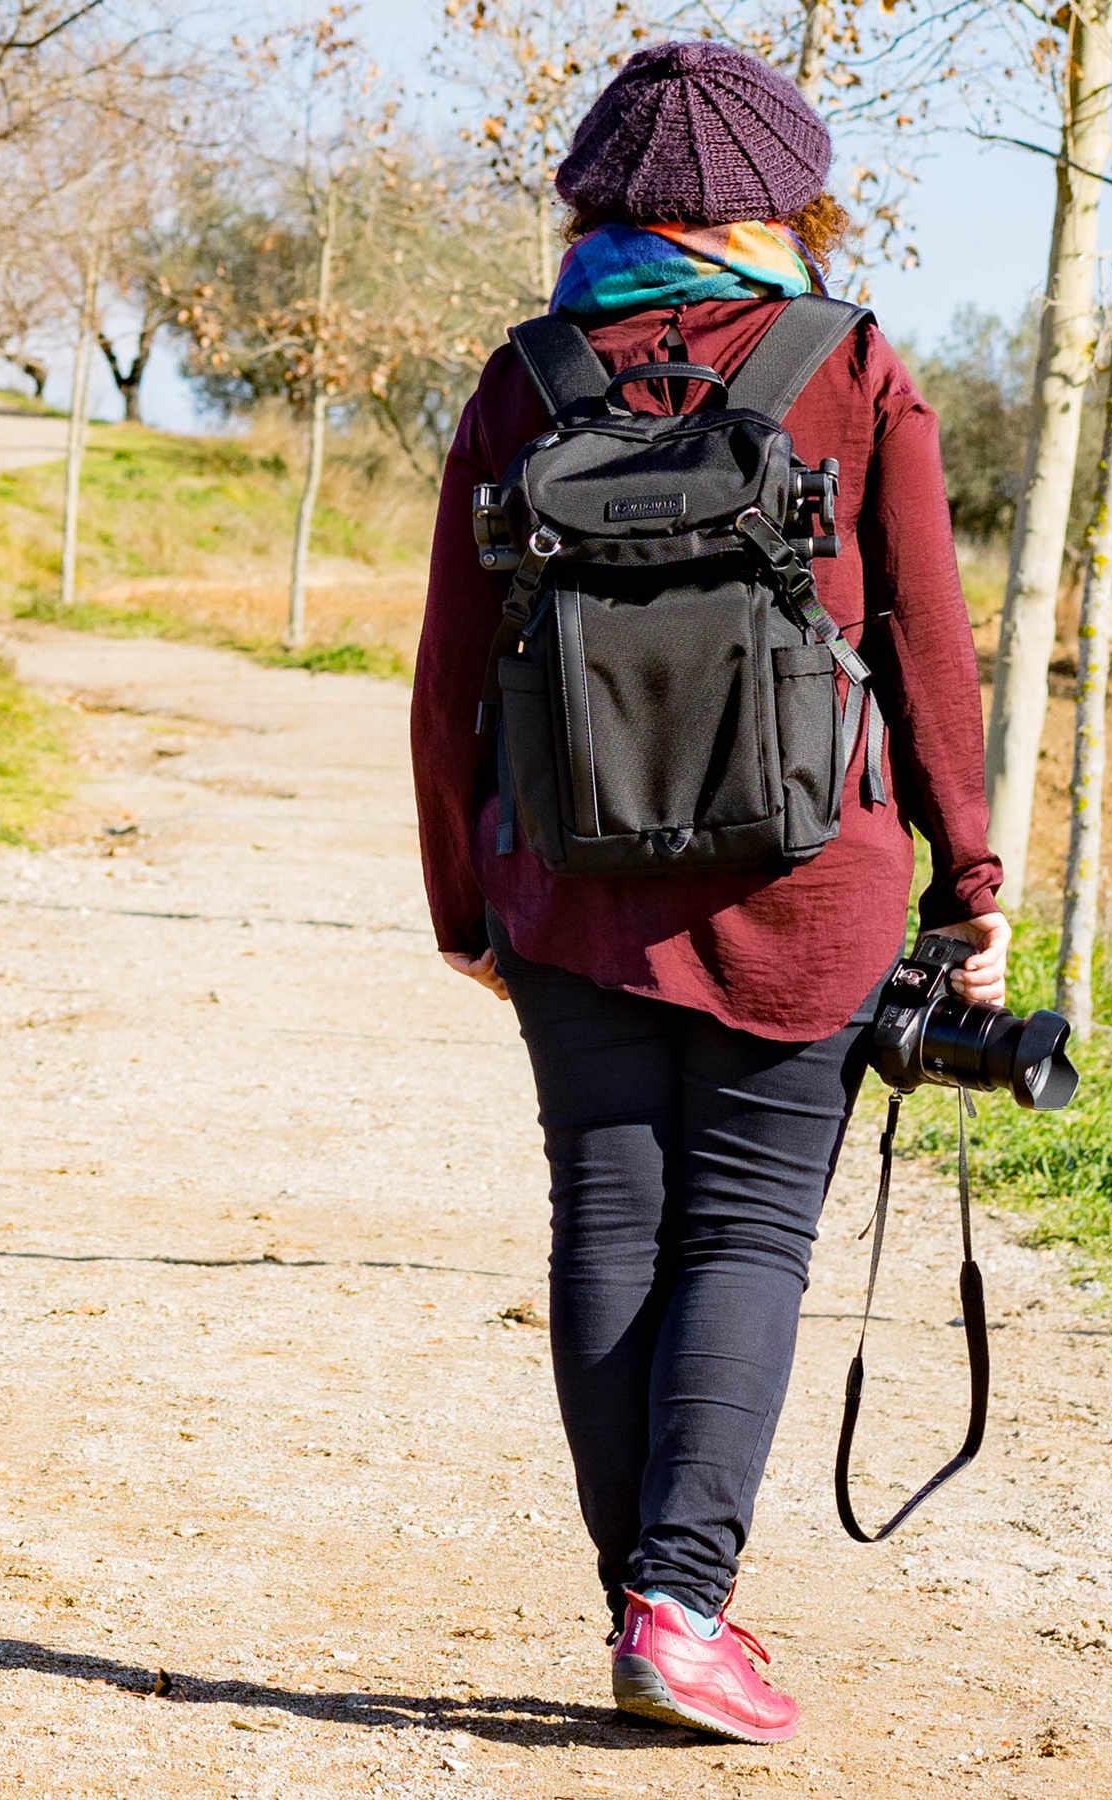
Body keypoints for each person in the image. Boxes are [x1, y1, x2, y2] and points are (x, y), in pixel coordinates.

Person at [411, 39, 1007, 1747]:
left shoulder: (524, 377)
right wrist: (968, 887)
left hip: (571, 883)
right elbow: (928, 646)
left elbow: (452, 664)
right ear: (785, 199)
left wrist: (467, 894)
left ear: (592, 199)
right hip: (810, 884)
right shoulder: (852, 362)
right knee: (744, 1231)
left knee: (608, 1226)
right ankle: (680, 1608)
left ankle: (652, 1611)